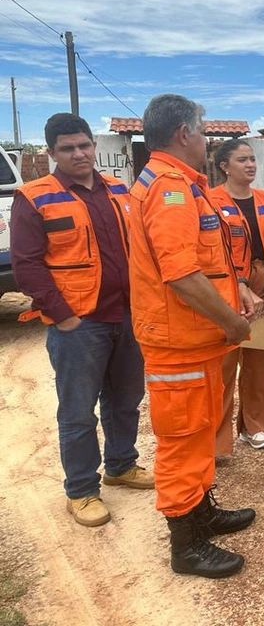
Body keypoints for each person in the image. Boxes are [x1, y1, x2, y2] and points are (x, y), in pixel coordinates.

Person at [129, 94, 263, 579]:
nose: (206, 139)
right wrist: (232, 322)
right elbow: (182, 274)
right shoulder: (169, 188)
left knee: (202, 426)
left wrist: (239, 291)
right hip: (177, 342)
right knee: (183, 438)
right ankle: (185, 545)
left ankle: (201, 511)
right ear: (184, 133)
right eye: (203, 130)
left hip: (196, 340)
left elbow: (211, 263)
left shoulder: (184, 183)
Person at [11, 113, 153, 527]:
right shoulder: (34, 197)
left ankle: (122, 465)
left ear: (95, 147)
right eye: (68, 148)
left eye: (84, 145)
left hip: (127, 317)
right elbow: (27, 265)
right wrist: (63, 316)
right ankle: (81, 490)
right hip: (80, 324)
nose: (79, 154)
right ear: (52, 153)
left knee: (126, 400)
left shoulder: (118, 191)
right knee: (77, 411)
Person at [209, 139, 264, 455]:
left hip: (263, 285)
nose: (251, 165)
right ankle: (217, 440)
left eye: (253, 159)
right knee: (224, 364)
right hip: (226, 288)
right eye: (242, 159)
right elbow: (213, 252)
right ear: (224, 167)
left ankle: (255, 427)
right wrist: (239, 289)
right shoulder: (210, 201)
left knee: (260, 363)